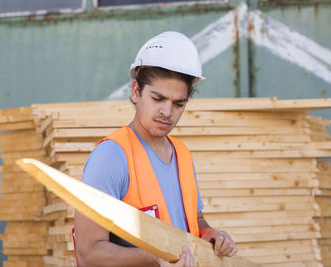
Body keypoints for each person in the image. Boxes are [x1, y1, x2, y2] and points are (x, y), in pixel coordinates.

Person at [74, 31, 237, 267]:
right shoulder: (111, 156)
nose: (167, 112)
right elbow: (88, 254)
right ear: (136, 92)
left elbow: (194, 218)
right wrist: (155, 260)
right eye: (158, 98)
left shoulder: (182, 154)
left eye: (178, 103)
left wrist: (210, 234)